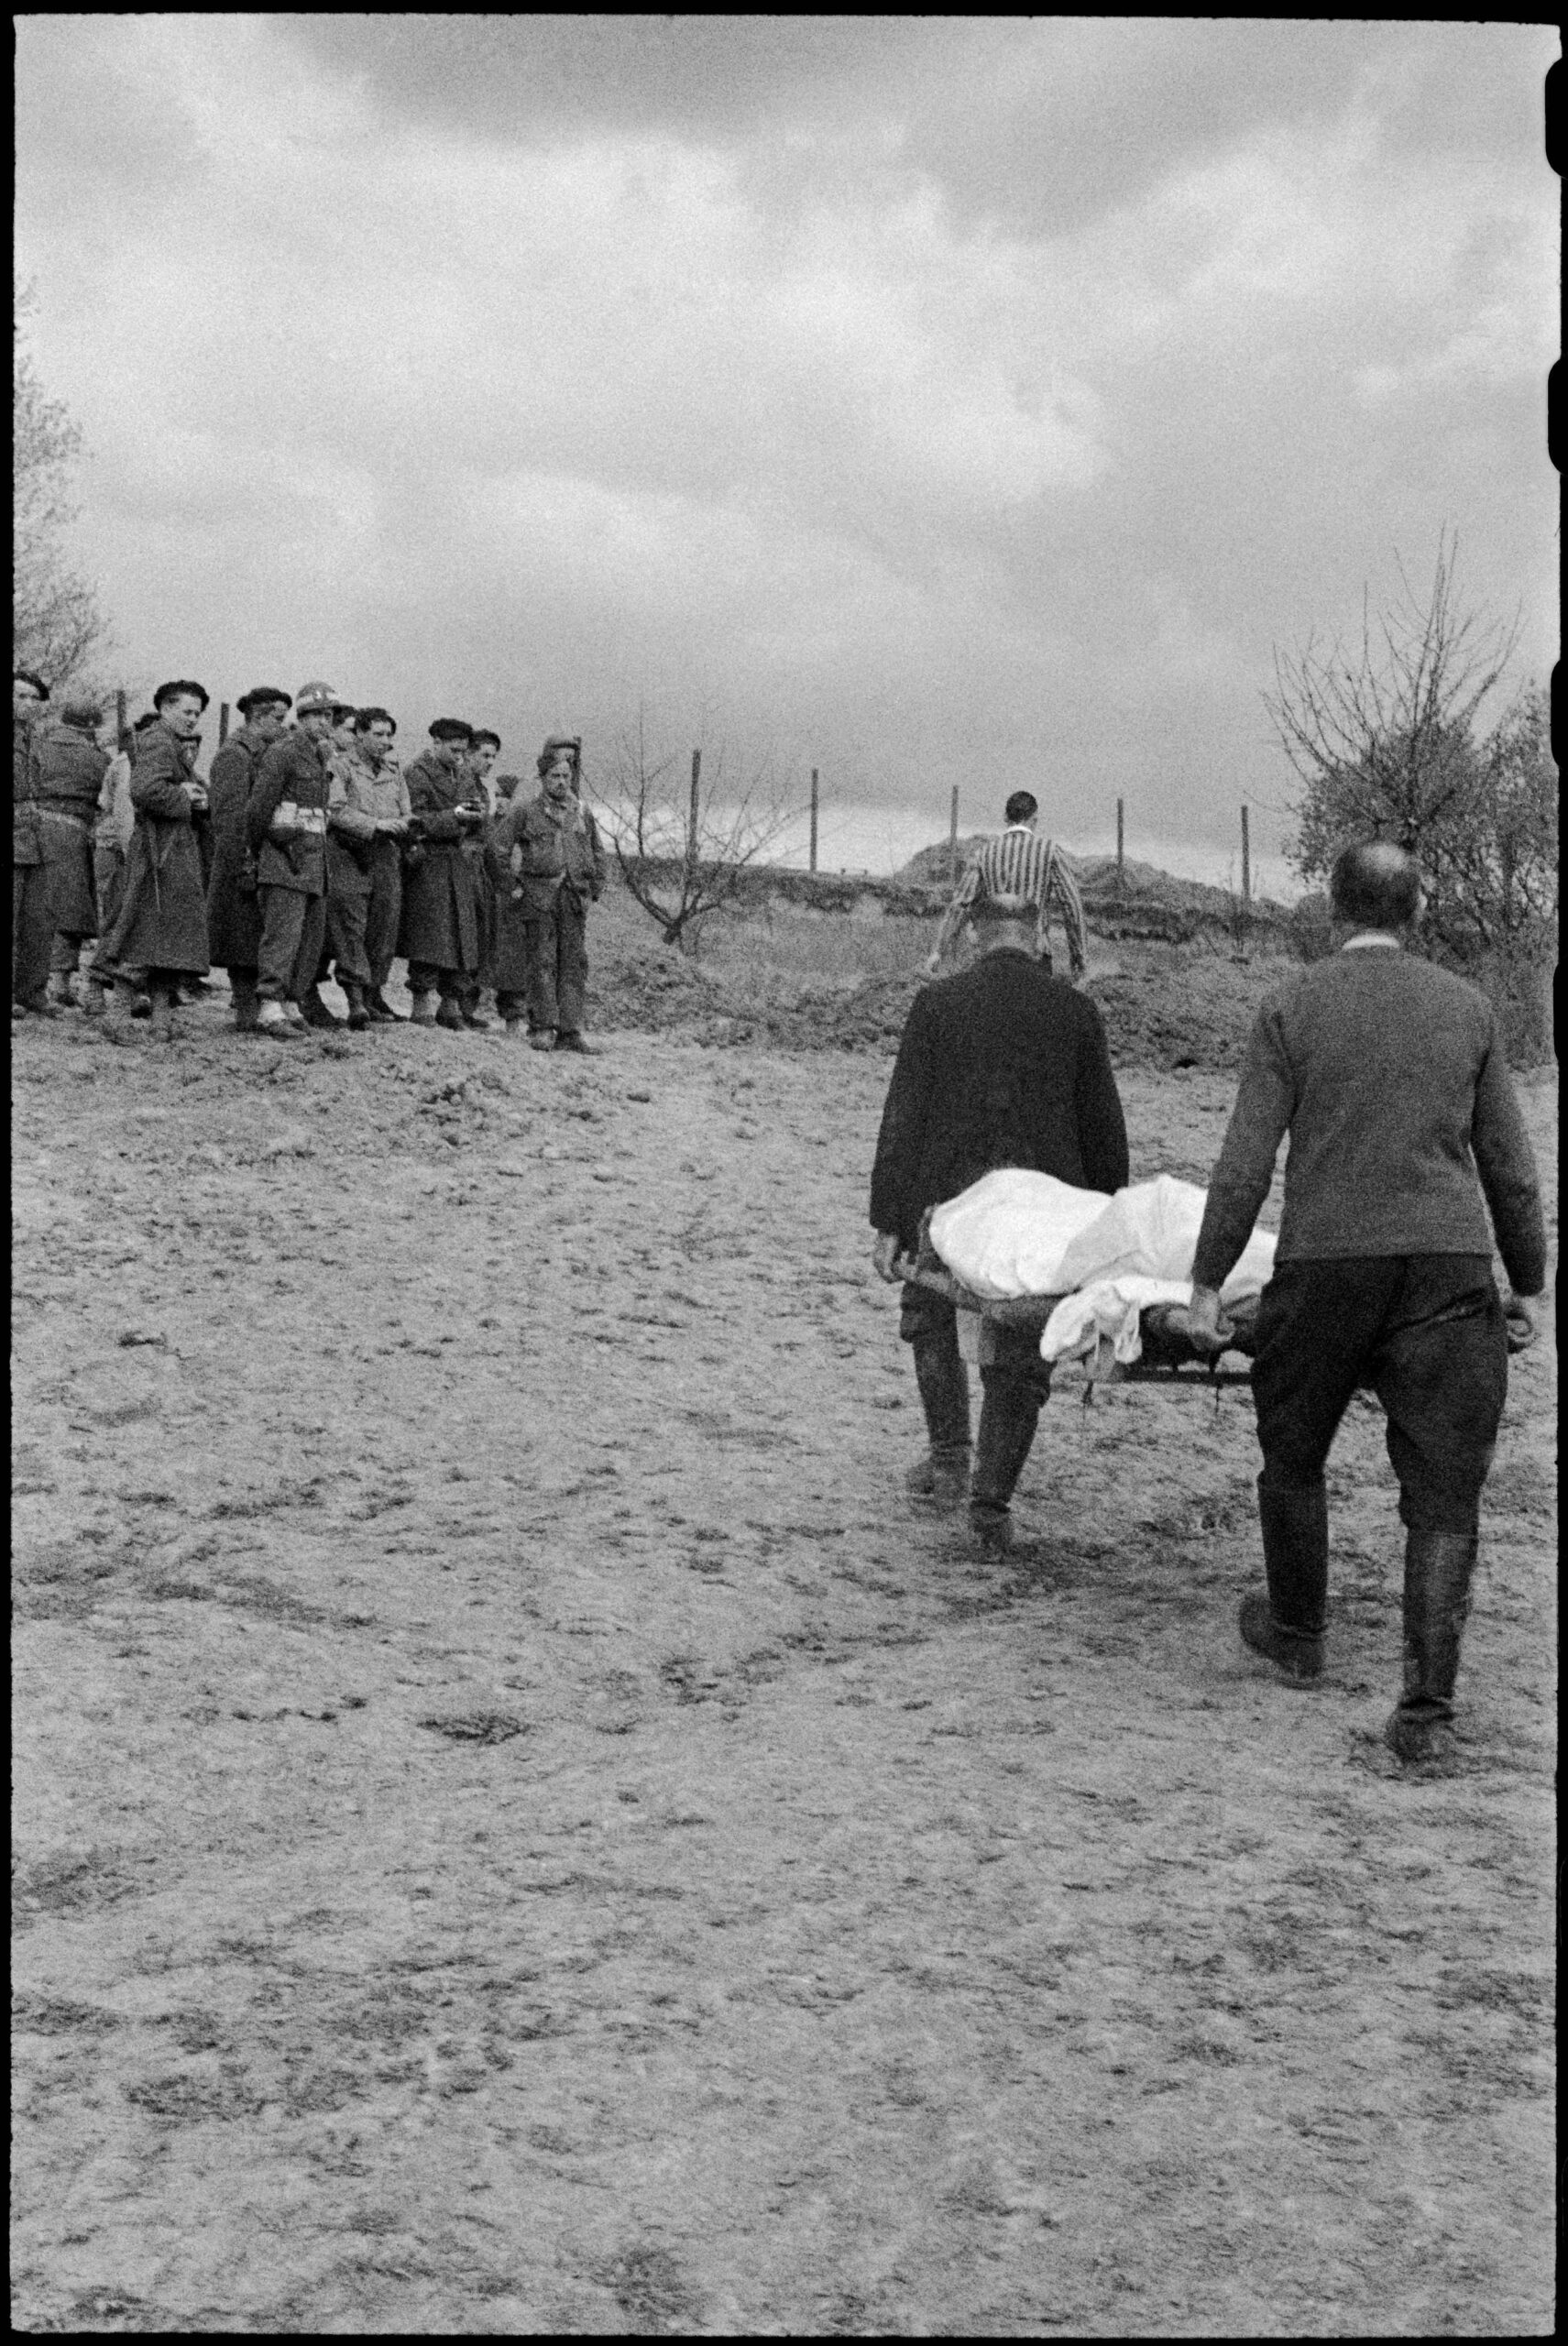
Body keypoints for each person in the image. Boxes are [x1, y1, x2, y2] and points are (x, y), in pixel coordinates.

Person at [1175, 841, 1547, 1767]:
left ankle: (1298, 1631)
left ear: (1332, 910)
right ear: (1416, 909)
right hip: (1445, 1267)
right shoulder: (1468, 1009)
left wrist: (1205, 1281)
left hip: (1326, 1261)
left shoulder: (1291, 1006)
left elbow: (1244, 1161)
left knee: (1292, 1446)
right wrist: (1528, 1279)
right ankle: (1423, 1710)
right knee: (1443, 1493)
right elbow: (1507, 1164)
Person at [871, 879, 1129, 1548]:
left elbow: (903, 1117)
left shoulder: (938, 1004)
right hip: (1045, 1209)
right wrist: (1106, 1225)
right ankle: (990, 1506)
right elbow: (1104, 1130)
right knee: (1019, 1342)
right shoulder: (1073, 1011)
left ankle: (951, 1458)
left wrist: (890, 1222)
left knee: (927, 1310)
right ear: (1039, 934)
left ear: (975, 936)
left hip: (951, 1201)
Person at [97, 680, 214, 1043]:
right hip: (158, 852)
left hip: (175, 850)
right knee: (143, 930)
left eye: (197, 713)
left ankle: (162, 1022)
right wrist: (185, 796)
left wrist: (198, 797)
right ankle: (116, 1018)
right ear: (165, 708)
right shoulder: (159, 741)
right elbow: (145, 791)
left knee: (170, 936)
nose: (193, 719)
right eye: (186, 711)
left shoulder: (173, 744)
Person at [499, 736, 607, 1051]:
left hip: (573, 898)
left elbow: (598, 851)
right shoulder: (526, 811)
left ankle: (571, 1032)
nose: (562, 782)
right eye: (555, 776)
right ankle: (543, 1028)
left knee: (573, 964)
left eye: (566, 776)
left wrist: (595, 887)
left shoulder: (581, 812)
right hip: (539, 897)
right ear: (543, 779)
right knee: (542, 962)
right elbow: (498, 848)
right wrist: (513, 886)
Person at [245, 683, 337, 1038]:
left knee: (307, 940)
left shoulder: (319, 755)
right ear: (301, 717)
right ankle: (268, 1006)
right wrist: (265, 852)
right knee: (281, 937)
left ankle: (291, 1003)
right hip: (284, 859)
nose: (323, 722)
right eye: (316, 715)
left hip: (314, 862)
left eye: (328, 715)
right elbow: (258, 812)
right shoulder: (283, 752)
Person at [928, 790, 1088, 981]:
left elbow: (960, 905)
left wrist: (938, 951)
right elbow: (1072, 906)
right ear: (1034, 818)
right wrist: (1079, 958)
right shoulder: (1050, 851)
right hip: (1035, 951)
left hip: (991, 951)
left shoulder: (984, 853)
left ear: (1006, 817)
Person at [205, 686, 292, 1032]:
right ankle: (244, 1011)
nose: (284, 727)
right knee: (240, 937)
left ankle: (252, 1011)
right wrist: (243, 862)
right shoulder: (236, 754)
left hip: (258, 857)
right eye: (278, 719)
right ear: (258, 717)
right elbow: (229, 816)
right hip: (240, 859)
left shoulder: (266, 753)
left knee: (254, 935)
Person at [324, 707, 412, 1027]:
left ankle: (374, 995)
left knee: (383, 926)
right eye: (378, 734)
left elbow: (405, 809)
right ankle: (355, 1000)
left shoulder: (394, 769)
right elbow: (335, 810)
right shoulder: (340, 765)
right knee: (352, 925)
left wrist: (405, 824)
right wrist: (375, 824)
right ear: (360, 733)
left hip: (385, 855)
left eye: (389, 735)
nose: (384, 741)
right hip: (348, 852)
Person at [400, 718, 488, 1027]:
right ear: (435, 743)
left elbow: (476, 813)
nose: (460, 757)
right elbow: (415, 819)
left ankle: (450, 1005)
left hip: (459, 861)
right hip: (430, 862)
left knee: (463, 936)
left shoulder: (464, 773)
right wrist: (455, 816)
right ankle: (420, 1003)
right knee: (429, 936)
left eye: (464, 751)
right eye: (454, 750)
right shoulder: (416, 773)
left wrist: (471, 818)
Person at [28, 692, 110, 1008]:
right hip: (71, 832)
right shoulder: (98, 759)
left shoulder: (38, 747)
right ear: (91, 727)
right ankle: (58, 984)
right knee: (69, 909)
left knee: (32, 906)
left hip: (31, 828)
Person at [83, 714, 155, 1016]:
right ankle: (95, 990)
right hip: (126, 855)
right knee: (118, 922)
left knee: (138, 926)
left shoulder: (142, 762)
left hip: (134, 854)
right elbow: (123, 815)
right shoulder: (129, 765)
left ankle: (138, 992)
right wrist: (132, 858)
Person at [11, 668, 55, 1017]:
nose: (27, 703)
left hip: (33, 837)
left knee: (37, 920)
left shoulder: (35, 738)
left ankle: (31, 991)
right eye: (20, 695)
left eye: (33, 698)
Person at [466, 729, 503, 1021]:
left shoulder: (483, 789)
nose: (490, 762)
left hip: (480, 868)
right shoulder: (461, 783)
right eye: (485, 755)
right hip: (460, 865)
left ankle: (467, 1006)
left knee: (482, 934)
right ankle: (451, 1004)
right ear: (469, 752)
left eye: (494, 756)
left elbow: (488, 836)